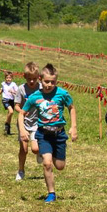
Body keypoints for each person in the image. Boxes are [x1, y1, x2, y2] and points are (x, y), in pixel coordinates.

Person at [21, 63, 77, 203]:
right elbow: (22, 113)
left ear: (56, 81)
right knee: (47, 163)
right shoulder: (35, 96)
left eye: (52, 82)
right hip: (43, 134)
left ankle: (50, 153)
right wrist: (22, 129)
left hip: (59, 135)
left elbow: (71, 108)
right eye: (46, 81)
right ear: (40, 79)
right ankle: (51, 193)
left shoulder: (62, 94)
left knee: (60, 166)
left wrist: (73, 127)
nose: (49, 85)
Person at [14, 62, 42, 181]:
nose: (32, 81)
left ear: (38, 77)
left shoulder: (41, 88)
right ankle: (21, 170)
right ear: (25, 77)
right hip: (24, 123)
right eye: (29, 79)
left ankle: (40, 152)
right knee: (24, 149)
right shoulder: (21, 89)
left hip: (37, 122)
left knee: (35, 149)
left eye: (34, 79)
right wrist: (22, 111)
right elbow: (16, 105)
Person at [0, 71, 18, 135]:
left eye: (10, 78)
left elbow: (17, 92)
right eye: (7, 78)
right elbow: (2, 89)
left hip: (12, 100)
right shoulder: (3, 84)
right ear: (5, 78)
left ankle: (8, 128)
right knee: (11, 111)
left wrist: (13, 91)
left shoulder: (13, 84)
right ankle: (6, 124)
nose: (8, 79)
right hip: (5, 100)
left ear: (12, 78)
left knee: (10, 115)